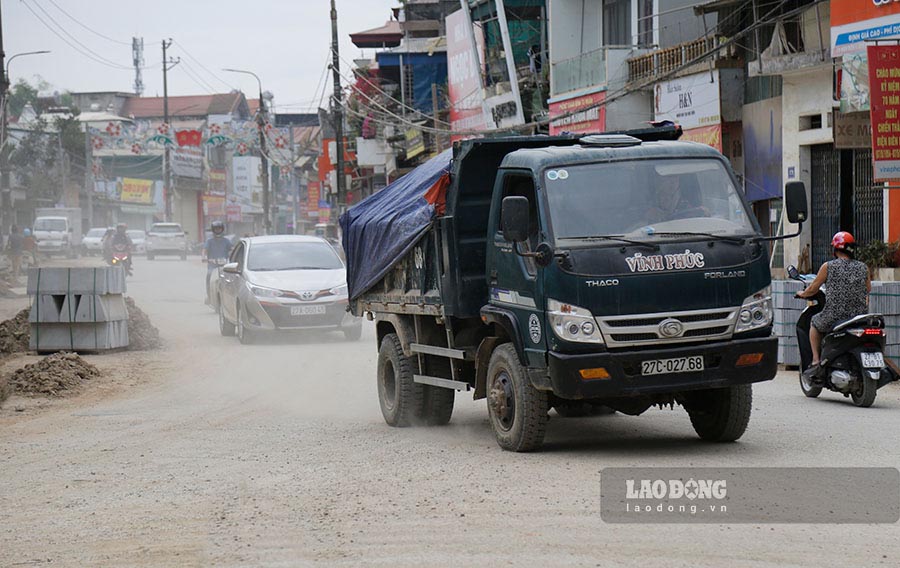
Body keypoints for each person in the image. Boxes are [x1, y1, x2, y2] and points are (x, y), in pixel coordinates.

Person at [797, 231, 870, 376]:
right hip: (859, 317)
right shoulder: (863, 267)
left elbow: (813, 288)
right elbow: (868, 289)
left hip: (836, 315)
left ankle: (816, 360)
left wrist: (802, 294)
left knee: (814, 323)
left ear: (835, 249)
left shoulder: (828, 266)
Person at [203, 221, 232, 304]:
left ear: (222, 229)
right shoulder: (209, 241)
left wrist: (232, 254)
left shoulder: (226, 241)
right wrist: (204, 257)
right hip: (213, 266)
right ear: (213, 230)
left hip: (224, 265)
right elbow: (204, 250)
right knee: (209, 275)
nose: (218, 230)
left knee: (231, 278)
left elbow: (231, 249)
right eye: (216, 229)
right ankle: (209, 296)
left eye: (219, 228)